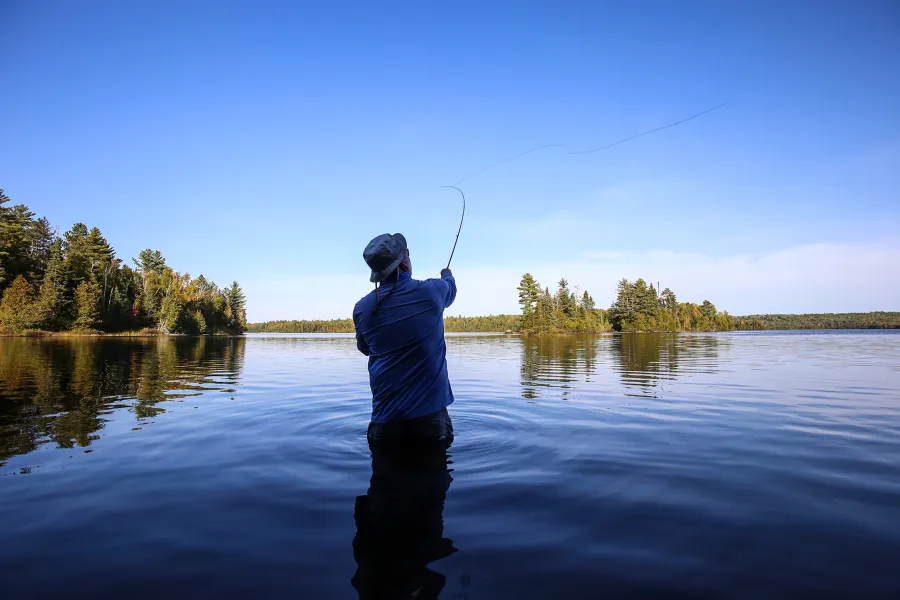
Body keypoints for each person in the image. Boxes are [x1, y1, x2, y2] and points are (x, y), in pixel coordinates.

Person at [353, 233, 457, 444]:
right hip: (430, 426)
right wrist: (447, 274)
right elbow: (451, 289)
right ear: (404, 260)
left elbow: (366, 348)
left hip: (383, 428)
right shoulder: (431, 292)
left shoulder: (362, 309)